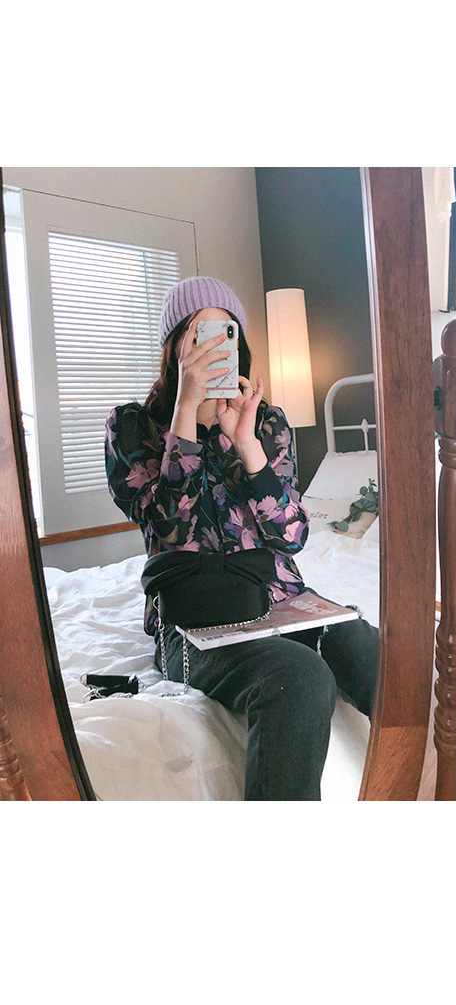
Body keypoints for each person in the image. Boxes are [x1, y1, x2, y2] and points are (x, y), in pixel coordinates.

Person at [105, 275, 378, 802]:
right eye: (199, 335)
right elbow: (171, 528)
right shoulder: (132, 426)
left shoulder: (267, 423)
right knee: (299, 676)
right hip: (195, 616)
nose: (213, 349)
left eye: (225, 334)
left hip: (283, 599)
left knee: (366, 649)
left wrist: (247, 444)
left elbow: (293, 535)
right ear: (175, 347)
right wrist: (186, 414)